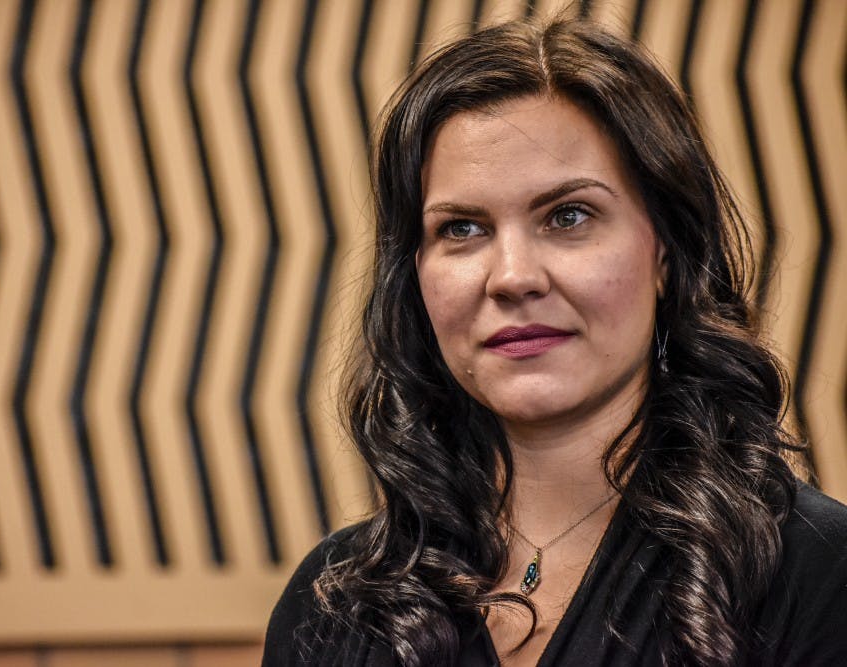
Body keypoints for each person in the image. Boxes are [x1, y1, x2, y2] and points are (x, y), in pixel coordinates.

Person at [262, 17, 847, 667]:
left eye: (568, 216)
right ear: (415, 276)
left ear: (666, 254)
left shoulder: (818, 574)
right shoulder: (334, 608)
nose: (513, 277)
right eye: (461, 228)